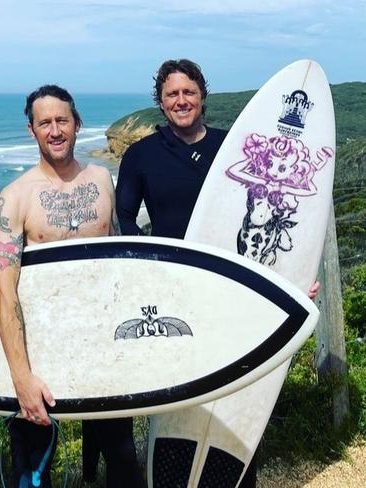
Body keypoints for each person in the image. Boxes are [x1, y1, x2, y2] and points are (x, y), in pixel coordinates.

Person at [115, 58, 320, 488]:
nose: (181, 100)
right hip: (176, 296)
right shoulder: (140, 156)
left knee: (239, 394)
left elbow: (285, 211)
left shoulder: (237, 150)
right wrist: (148, 272)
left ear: (202, 96)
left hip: (235, 296)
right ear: (161, 101)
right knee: (177, 397)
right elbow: (125, 221)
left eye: (189, 92)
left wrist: (293, 277)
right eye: (171, 93)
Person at [0, 85, 145, 487]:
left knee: (123, 458)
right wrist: (21, 377)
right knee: (34, 469)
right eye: (45, 123)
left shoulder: (101, 180)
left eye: (62, 120)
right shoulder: (16, 197)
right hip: (42, 352)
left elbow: (117, 263)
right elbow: (3, 292)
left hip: (102, 347)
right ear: (32, 130)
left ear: (77, 124)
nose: (55, 130)